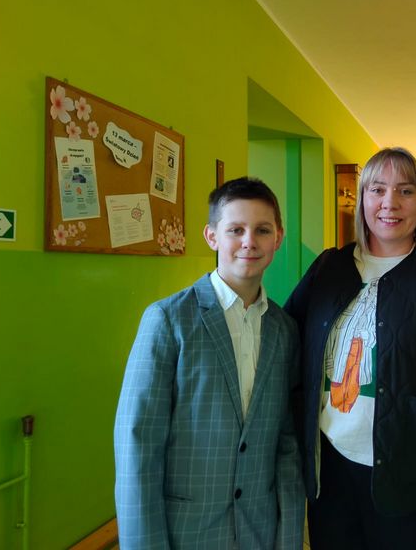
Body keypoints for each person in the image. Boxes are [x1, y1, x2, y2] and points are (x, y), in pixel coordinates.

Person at [285, 147, 416, 550]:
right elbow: (285, 345)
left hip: (412, 486)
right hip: (330, 476)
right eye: (377, 189)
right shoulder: (329, 267)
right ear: (362, 198)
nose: (390, 203)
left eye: (406, 191)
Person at [114, 177, 304, 549]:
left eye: (262, 230)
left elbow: (286, 444)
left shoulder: (285, 330)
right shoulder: (168, 320)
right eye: (236, 230)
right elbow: (137, 447)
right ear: (212, 236)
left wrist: (289, 539)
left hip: (259, 532)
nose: (249, 241)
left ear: (278, 238)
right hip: (185, 533)